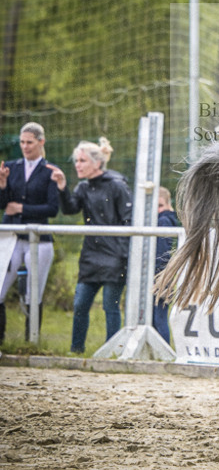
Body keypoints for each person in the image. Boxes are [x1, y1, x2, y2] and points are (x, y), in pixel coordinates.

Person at [49, 137, 133, 354]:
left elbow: (129, 220)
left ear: (97, 163)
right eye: (76, 161)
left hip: (115, 256)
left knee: (110, 306)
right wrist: (62, 187)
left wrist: (123, 254)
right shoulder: (83, 187)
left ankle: (112, 351)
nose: (77, 165)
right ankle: (76, 349)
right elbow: (70, 209)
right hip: (91, 256)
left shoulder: (117, 185)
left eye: (82, 160)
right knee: (80, 304)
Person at [0, 122, 61, 343]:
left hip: (38, 239)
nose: (25, 147)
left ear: (41, 142)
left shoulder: (49, 171)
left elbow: (52, 209)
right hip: (12, 236)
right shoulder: (11, 167)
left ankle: (31, 341)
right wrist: (3, 185)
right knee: (1, 287)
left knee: (33, 293)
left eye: (30, 142)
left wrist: (22, 208)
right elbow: (3, 205)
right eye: (22, 142)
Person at [153, 186, 178, 344]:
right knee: (157, 315)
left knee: (159, 316)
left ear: (168, 204)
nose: (157, 210)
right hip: (165, 274)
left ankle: (164, 348)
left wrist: (158, 277)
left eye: (160, 205)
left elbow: (161, 253)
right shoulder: (168, 220)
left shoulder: (163, 221)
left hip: (160, 275)